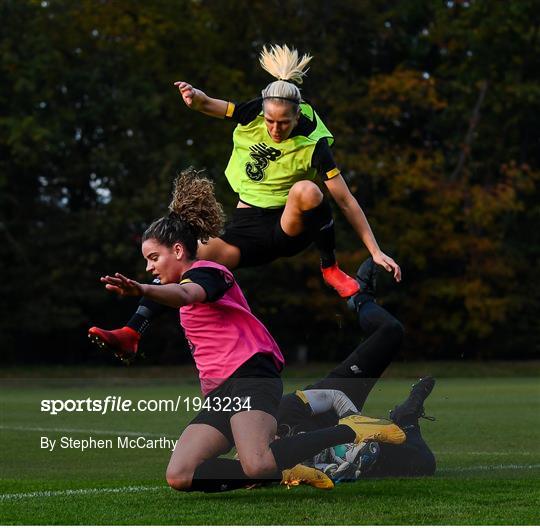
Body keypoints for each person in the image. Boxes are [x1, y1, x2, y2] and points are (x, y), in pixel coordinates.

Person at [97, 168, 407, 493]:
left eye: (153, 258)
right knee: (181, 474)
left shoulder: (208, 272)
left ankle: (351, 430)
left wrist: (142, 289)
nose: (149, 268)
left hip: (251, 373)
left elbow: (184, 295)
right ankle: (283, 469)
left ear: (177, 251)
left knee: (256, 462)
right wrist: (131, 331)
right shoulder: (178, 284)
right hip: (220, 392)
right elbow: (164, 300)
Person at [88, 44, 401, 358]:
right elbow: (213, 105)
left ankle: (330, 268)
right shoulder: (254, 112)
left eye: (284, 123)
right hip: (247, 228)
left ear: (298, 114)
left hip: (288, 226)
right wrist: (195, 99)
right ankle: (132, 332)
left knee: (306, 190)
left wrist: (374, 250)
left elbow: (345, 201)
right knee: (186, 259)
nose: (275, 129)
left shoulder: (314, 142)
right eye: (270, 121)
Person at [276, 260, 436, 479]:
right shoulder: (268, 458)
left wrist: (355, 421)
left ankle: (361, 298)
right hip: (341, 441)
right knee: (423, 463)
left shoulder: (283, 410)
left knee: (391, 331)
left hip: (338, 399)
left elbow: (334, 397)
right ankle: (406, 419)